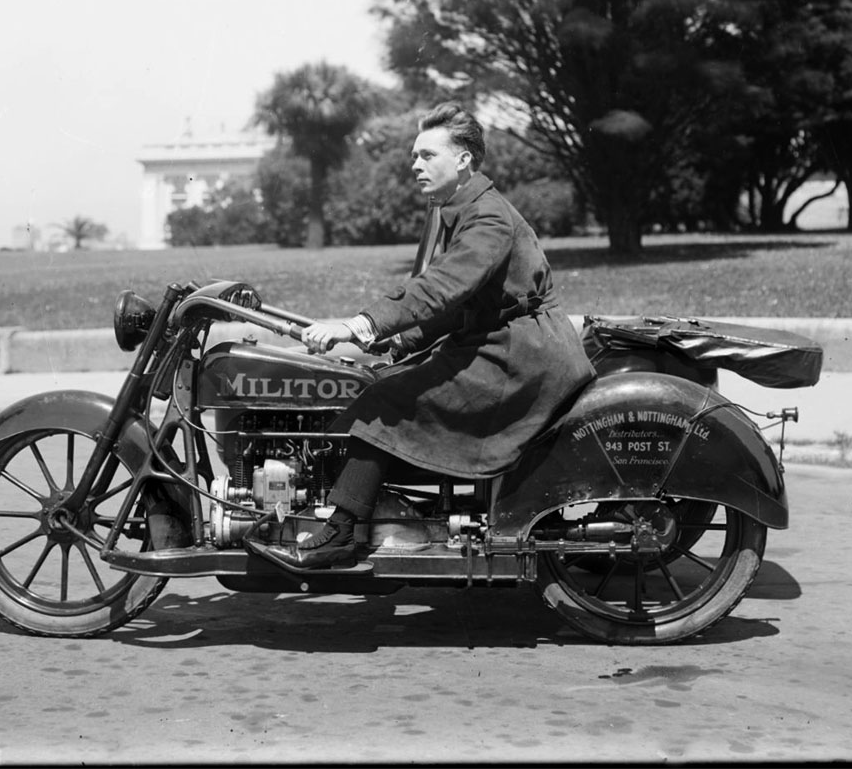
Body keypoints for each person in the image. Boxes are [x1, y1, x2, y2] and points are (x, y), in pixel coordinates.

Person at [249, 102, 595, 571]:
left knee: (384, 403)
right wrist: (393, 345)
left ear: (464, 159)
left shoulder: (486, 217)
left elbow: (442, 288)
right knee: (378, 380)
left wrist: (360, 324)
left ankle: (344, 531)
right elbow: (454, 305)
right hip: (499, 343)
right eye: (415, 156)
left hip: (520, 356)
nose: (415, 165)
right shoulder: (457, 210)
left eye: (428, 155)